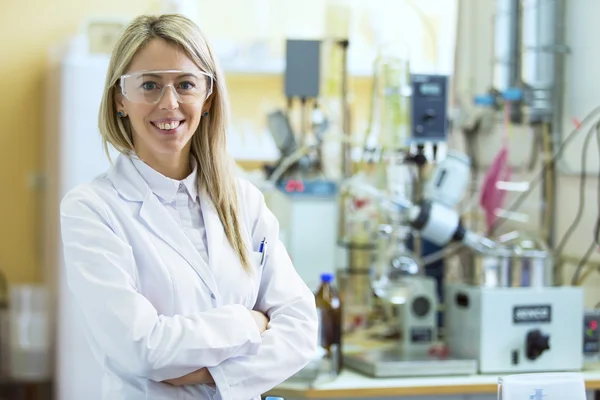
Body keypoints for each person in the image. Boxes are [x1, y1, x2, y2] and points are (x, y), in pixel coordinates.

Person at [59, 13, 318, 400]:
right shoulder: (91, 210)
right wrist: (250, 321)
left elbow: (300, 329)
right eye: (149, 85)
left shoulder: (243, 201)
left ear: (208, 97)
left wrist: (211, 375)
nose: (170, 103)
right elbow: (142, 349)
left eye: (186, 84)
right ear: (120, 100)